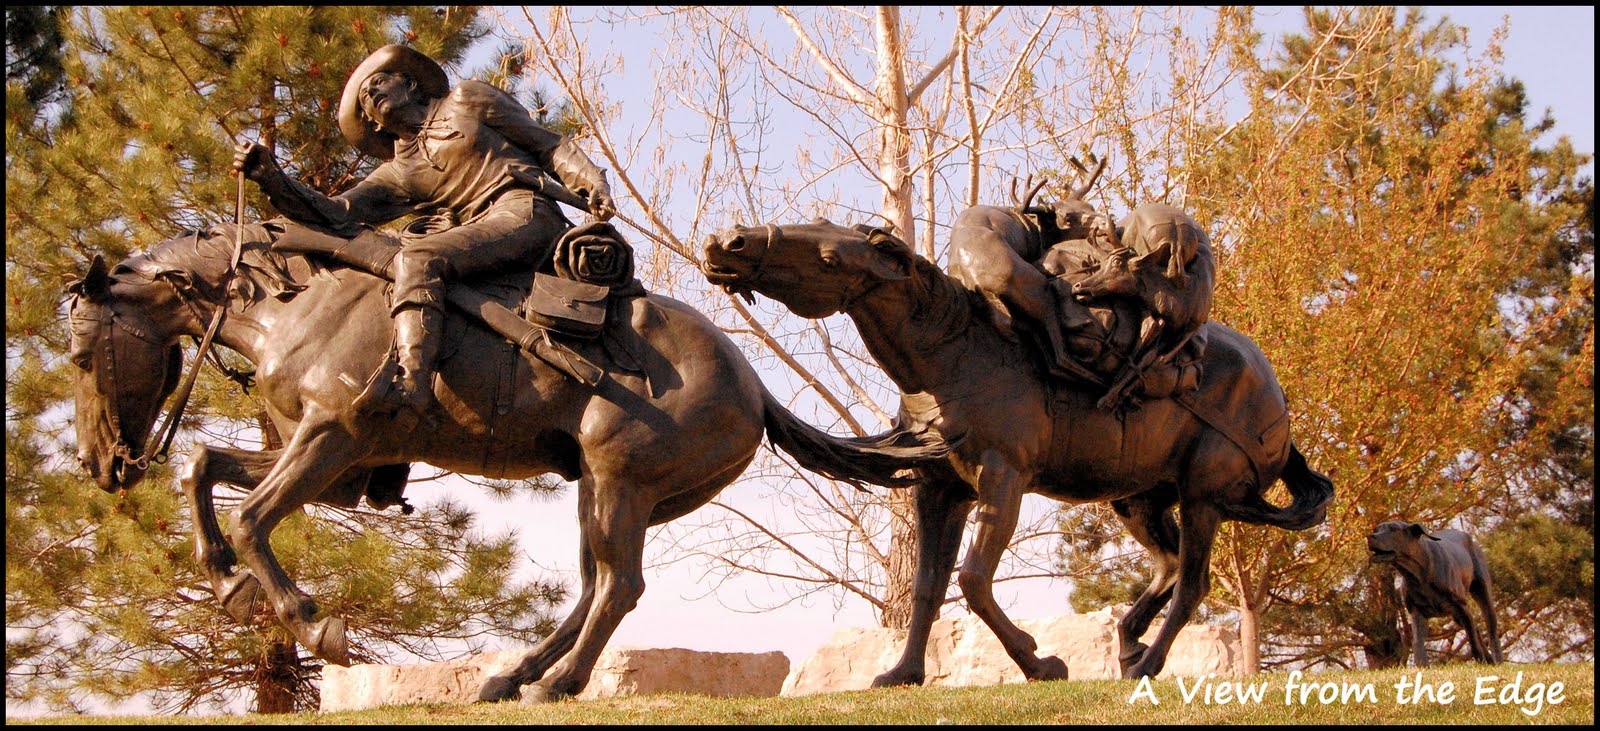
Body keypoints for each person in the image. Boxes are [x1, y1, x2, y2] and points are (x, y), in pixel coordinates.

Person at [233, 44, 615, 414]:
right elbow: (337, 213)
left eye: (379, 83)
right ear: (374, 123)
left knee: (416, 258)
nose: (372, 96)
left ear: (409, 83)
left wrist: (591, 181)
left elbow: (548, 143)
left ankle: (413, 382)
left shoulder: (466, 99)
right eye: (365, 100)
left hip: (525, 211)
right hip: (477, 231)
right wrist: (271, 176)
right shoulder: (401, 171)